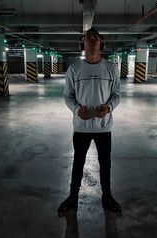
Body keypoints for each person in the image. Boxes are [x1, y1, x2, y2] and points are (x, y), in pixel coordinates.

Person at [58, 28, 121, 214]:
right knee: (78, 162)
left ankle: (107, 195)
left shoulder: (111, 68)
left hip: (104, 128)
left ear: (101, 43)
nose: (92, 39)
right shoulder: (74, 69)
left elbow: (117, 94)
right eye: (88, 37)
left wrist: (108, 108)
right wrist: (78, 110)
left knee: (105, 163)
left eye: (95, 37)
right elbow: (67, 96)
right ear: (82, 44)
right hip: (81, 128)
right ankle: (73, 196)